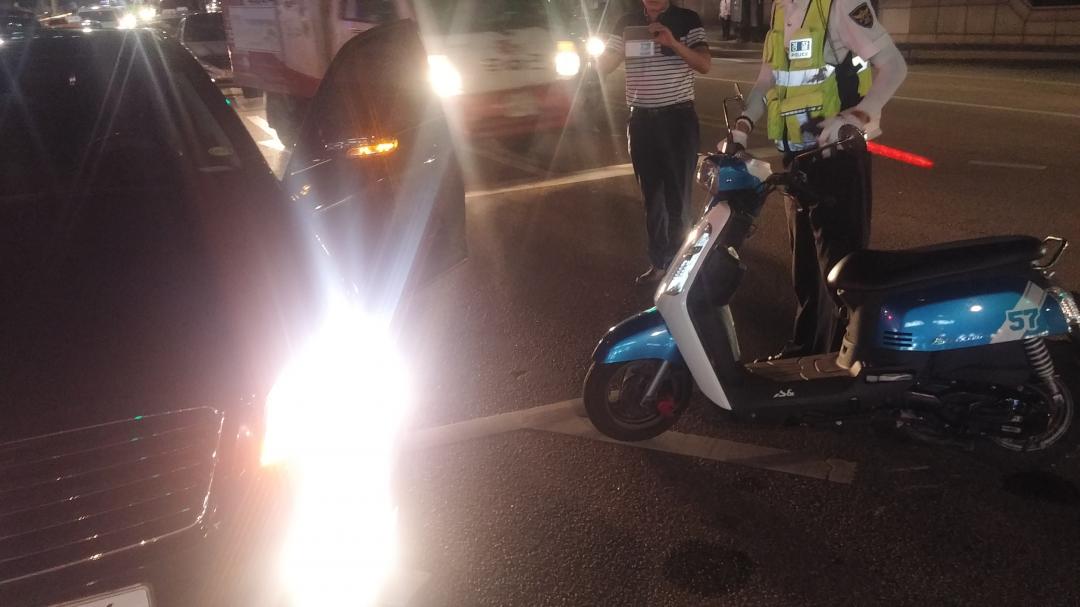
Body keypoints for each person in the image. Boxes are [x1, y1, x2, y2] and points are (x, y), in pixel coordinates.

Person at [725, 0, 907, 357]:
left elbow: (894, 66)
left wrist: (857, 116)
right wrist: (743, 126)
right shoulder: (780, 9)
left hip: (836, 158)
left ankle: (841, 360)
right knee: (805, 269)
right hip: (798, 161)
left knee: (840, 270)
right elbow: (767, 80)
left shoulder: (839, 5)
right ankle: (804, 350)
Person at [596, 0, 711, 285]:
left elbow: (704, 64)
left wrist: (673, 43)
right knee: (652, 199)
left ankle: (680, 271)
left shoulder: (687, 19)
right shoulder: (626, 22)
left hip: (678, 119)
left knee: (679, 200)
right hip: (641, 121)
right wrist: (617, 51)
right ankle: (659, 263)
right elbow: (601, 67)